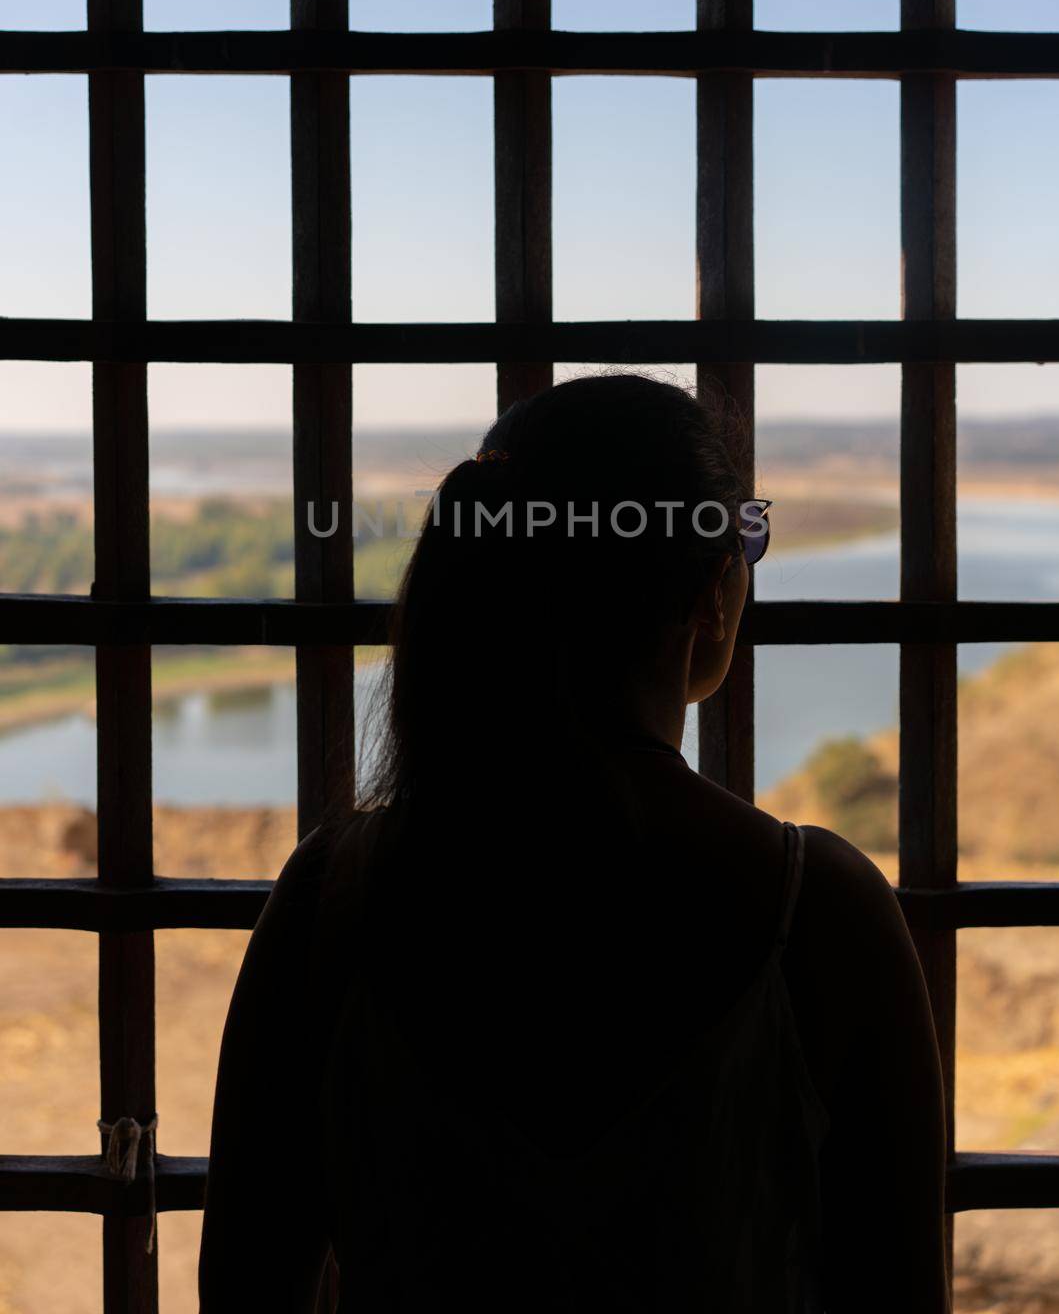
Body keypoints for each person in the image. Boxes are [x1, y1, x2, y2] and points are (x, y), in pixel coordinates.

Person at [199, 373, 950, 1313]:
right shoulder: (822, 915)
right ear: (713, 595)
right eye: (748, 538)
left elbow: (245, 1288)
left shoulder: (333, 898)